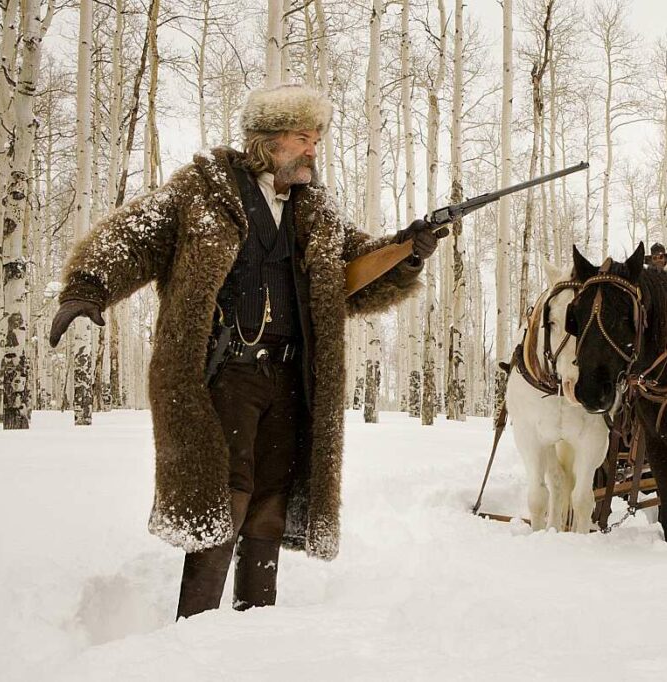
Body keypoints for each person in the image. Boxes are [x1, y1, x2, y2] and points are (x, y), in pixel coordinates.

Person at [49, 84, 441, 619]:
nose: (312, 150)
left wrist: (408, 252)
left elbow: (355, 276)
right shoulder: (204, 189)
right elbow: (135, 235)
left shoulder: (315, 210)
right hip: (225, 371)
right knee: (224, 500)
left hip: (290, 377)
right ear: (268, 140)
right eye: (302, 138)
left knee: (271, 500)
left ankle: (255, 628)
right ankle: (196, 628)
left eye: (316, 139)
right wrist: (86, 287)